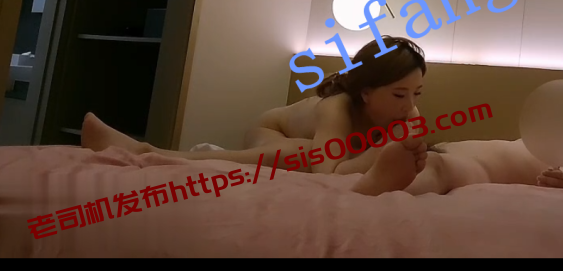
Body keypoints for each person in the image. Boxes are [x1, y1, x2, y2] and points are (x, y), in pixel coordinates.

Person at [81, 36, 431, 189]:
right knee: (304, 152)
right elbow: (329, 173)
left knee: (308, 153)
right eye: (399, 94)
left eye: (416, 94)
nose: (409, 105)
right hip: (271, 130)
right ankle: (151, 152)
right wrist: (377, 154)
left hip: (310, 148)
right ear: (366, 92)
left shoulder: (407, 115)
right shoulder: (336, 108)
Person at [352, 136, 563, 196]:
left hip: (482, 166)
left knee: (439, 168)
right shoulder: (529, 142)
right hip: (456, 151)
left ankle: (377, 185)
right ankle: (378, 178)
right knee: (434, 162)